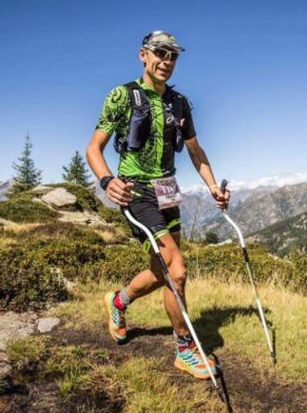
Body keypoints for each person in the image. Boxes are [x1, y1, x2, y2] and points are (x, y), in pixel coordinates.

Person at [86, 30, 230, 379]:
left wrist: (213, 186)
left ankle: (117, 301)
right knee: (177, 269)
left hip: (168, 188)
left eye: (173, 55)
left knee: (162, 269)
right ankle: (185, 350)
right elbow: (93, 149)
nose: (166, 61)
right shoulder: (122, 95)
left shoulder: (180, 103)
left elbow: (195, 150)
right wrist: (107, 181)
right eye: (160, 53)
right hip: (136, 191)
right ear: (143, 55)